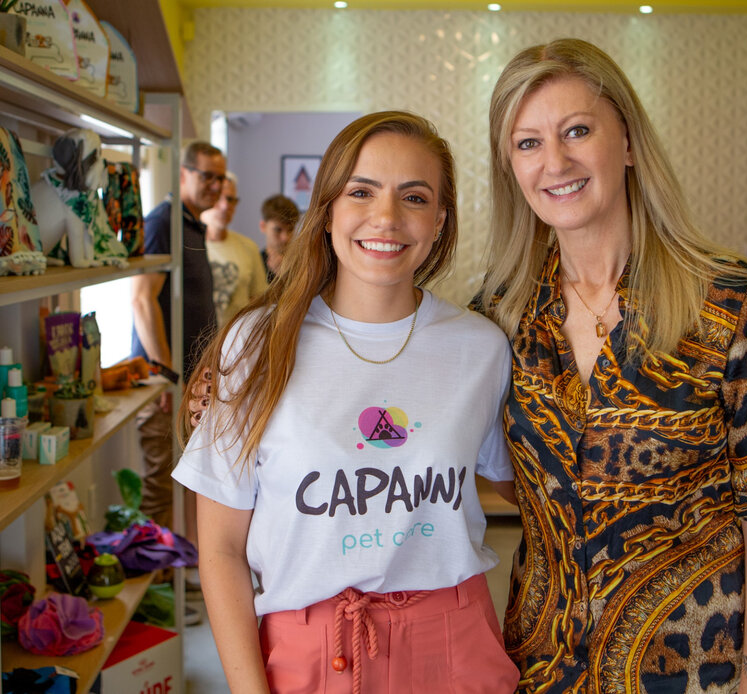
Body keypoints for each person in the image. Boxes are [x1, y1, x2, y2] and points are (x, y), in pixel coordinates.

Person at [474, 39, 747, 693]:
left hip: (697, 674)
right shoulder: (498, 316)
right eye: (528, 143)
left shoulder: (724, 299)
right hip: (544, 671)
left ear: (626, 142)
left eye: (576, 130)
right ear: (510, 165)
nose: (556, 162)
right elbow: (512, 481)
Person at [172, 112, 521, 694]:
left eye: (414, 197)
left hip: (454, 642)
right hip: (308, 648)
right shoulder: (257, 344)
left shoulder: (481, 347)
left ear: (439, 220)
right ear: (328, 209)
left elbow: (534, 489)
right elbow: (222, 549)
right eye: (362, 192)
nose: (386, 218)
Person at [131, 140, 223, 624]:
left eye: (219, 178)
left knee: (187, 483)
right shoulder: (163, 220)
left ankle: (177, 579)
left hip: (186, 385)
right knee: (158, 490)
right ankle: (152, 602)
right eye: (206, 176)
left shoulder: (193, 225)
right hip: (163, 385)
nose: (215, 185)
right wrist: (166, 376)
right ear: (183, 174)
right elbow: (143, 300)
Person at [201, 172, 268, 327]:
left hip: (236, 343)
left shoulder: (248, 247)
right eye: (219, 197)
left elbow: (259, 302)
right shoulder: (188, 246)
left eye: (230, 199)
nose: (225, 206)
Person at [259, 193, 299, 282]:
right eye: (278, 230)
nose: (285, 238)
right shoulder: (254, 262)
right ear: (263, 226)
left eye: (290, 230)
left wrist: (285, 276)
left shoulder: (303, 265)